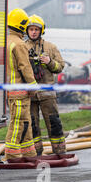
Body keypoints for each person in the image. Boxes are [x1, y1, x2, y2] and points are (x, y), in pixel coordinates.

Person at [25, 14, 66, 156]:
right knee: (32, 125)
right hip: (30, 95)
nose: (34, 32)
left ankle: (59, 151)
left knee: (54, 123)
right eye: (31, 29)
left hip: (48, 95)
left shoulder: (50, 47)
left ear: (41, 30)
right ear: (27, 31)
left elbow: (60, 67)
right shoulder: (23, 47)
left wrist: (49, 62)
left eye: (36, 29)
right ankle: (36, 153)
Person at [5, 8, 38, 159]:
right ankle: (12, 154)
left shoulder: (6, 42)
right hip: (20, 91)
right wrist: (33, 86)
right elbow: (25, 67)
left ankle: (28, 152)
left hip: (12, 91)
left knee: (25, 122)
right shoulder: (19, 44)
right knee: (18, 123)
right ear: (21, 25)